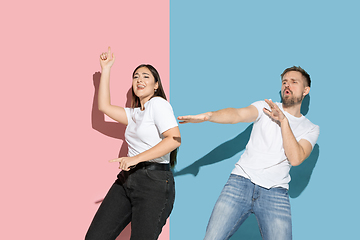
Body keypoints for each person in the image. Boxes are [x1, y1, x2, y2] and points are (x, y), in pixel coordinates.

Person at [177, 66, 319, 240]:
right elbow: (237, 114)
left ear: (306, 90)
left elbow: (296, 158)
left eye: (293, 82)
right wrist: (209, 116)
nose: (287, 85)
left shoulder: (310, 128)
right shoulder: (264, 107)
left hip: (275, 193)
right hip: (240, 183)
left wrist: (283, 121)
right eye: (284, 82)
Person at [85, 47, 181, 240]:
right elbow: (104, 107)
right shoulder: (134, 113)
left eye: (146, 76)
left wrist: (134, 159)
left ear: (156, 85)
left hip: (154, 183)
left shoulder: (158, 104)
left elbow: (174, 139)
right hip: (127, 180)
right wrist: (106, 69)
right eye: (136, 76)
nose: (139, 80)